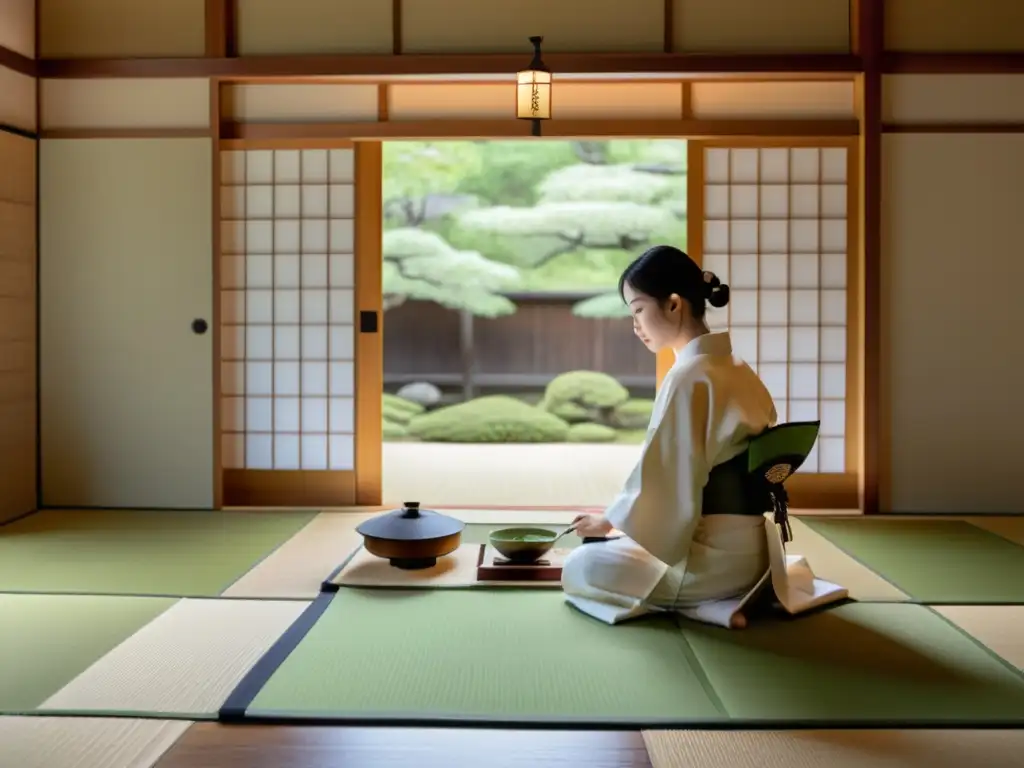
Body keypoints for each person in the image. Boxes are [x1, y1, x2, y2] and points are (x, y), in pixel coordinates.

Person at [561, 244, 778, 629]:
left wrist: (608, 523)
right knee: (622, 551)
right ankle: (718, 602)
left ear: (674, 304)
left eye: (639, 310)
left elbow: (671, 478)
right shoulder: (737, 367)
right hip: (757, 555)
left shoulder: (689, 377)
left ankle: (708, 603)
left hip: (712, 563)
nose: (635, 325)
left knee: (581, 566)